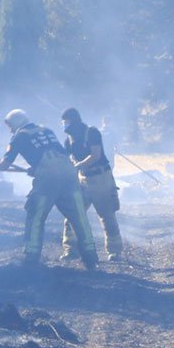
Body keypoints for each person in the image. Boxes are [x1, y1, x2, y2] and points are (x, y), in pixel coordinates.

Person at [0, 109, 99, 270]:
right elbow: (56, 155)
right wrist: (35, 168)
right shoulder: (46, 130)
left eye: (10, 126)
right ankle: (91, 259)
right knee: (79, 217)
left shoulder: (19, 136)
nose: (10, 130)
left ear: (17, 123)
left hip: (48, 181)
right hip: (70, 175)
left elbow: (3, 165)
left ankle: (31, 258)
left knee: (36, 216)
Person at [60, 107, 123, 262]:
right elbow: (68, 159)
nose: (64, 126)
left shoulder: (91, 132)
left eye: (66, 122)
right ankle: (70, 250)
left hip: (100, 177)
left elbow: (95, 155)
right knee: (73, 214)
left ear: (74, 121)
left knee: (106, 215)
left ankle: (114, 251)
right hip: (82, 179)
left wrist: (78, 165)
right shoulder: (68, 140)